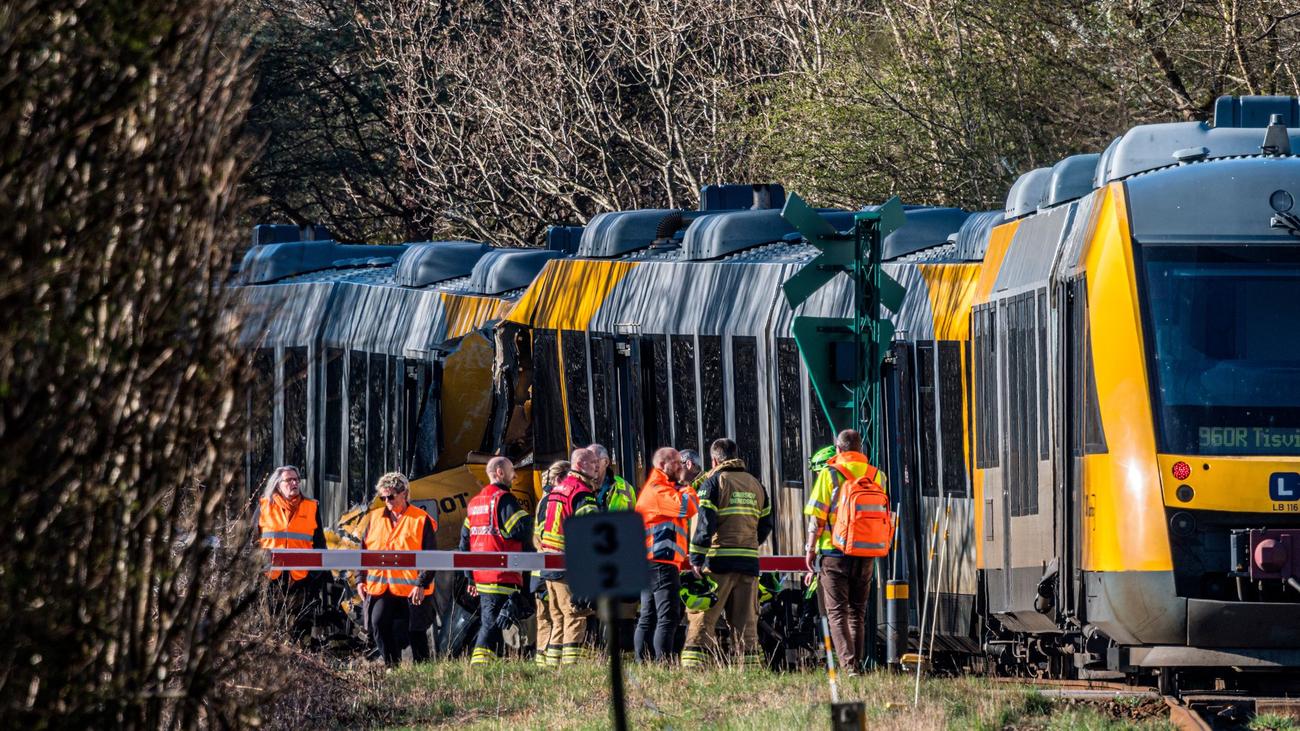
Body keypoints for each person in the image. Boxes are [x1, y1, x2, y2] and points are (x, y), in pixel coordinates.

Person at [802, 429, 886, 675]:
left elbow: (817, 517)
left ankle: (849, 666)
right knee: (857, 612)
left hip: (834, 553)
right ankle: (855, 664)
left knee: (837, 612)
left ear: (838, 450)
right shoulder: (877, 475)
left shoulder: (830, 474)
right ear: (861, 450)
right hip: (866, 553)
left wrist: (809, 549)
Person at [682, 438, 772, 667]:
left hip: (718, 562)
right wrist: (749, 543)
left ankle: (694, 667)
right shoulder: (756, 484)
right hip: (749, 562)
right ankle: (748, 668)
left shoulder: (713, 483)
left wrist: (696, 558)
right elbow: (766, 524)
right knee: (745, 621)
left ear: (714, 459)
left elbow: (705, 524)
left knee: (703, 616)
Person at [358, 472, 438, 666]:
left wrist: (421, 583)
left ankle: (424, 674)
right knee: (378, 624)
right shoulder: (374, 518)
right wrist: (360, 579)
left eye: (391, 496)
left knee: (416, 632)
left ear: (404, 493)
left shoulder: (421, 519)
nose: (387, 501)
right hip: (381, 587)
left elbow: (431, 557)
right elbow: (363, 552)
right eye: (383, 497)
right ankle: (392, 667)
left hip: (413, 589)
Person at [460, 456, 534, 665]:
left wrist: (470, 577)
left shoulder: (475, 504)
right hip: (502, 574)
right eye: (512, 471)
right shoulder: (504, 499)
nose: (515, 475)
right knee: (491, 625)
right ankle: (480, 667)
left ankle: (495, 664)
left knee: (497, 621)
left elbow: (464, 544)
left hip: (483, 577)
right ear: (500, 472)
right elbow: (520, 529)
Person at [634, 447, 698, 662]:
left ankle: (644, 662)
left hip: (651, 562)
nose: (681, 466)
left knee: (649, 616)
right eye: (677, 462)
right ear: (663, 465)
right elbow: (688, 508)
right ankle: (663, 663)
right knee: (668, 617)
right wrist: (687, 485)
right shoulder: (658, 490)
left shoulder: (661, 488)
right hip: (660, 562)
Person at [537, 448, 601, 664]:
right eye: (593, 463)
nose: (597, 467)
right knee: (575, 615)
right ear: (582, 465)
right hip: (568, 564)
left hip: (549, 563)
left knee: (557, 618)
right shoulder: (581, 492)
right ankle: (572, 668)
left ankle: (552, 667)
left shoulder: (558, 489)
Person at [258, 465, 327, 640]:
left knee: (300, 630)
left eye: (296, 479)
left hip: (302, 579)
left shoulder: (311, 507)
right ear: (278, 484)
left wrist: (314, 576)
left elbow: (320, 545)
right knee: (271, 629)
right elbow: (252, 542)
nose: (294, 483)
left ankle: (300, 663)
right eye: (289, 480)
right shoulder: (264, 506)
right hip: (272, 578)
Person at [532, 460, 569, 666]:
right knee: (558, 617)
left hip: (540, 571)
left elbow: (537, 537)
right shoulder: (556, 500)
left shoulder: (543, 500)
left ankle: (543, 662)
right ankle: (553, 661)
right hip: (551, 570)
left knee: (545, 619)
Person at [588, 443, 635, 512]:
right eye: (587, 462)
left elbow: (633, 518)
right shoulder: (579, 488)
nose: (591, 466)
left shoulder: (625, 487)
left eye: (595, 461)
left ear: (606, 462)